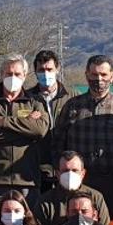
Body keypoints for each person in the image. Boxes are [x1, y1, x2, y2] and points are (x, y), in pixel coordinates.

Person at [56, 54, 113, 217]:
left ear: (112, 77)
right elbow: (58, 143)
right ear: (86, 75)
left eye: (103, 75)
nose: (99, 79)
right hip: (81, 182)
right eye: (94, 74)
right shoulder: (72, 106)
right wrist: (63, 176)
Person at [0, 53, 49, 214]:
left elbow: (40, 130)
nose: (12, 77)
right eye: (8, 74)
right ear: (1, 75)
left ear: (24, 76)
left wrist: (2, 121)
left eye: (17, 74)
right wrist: (26, 130)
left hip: (26, 182)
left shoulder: (36, 102)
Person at [30, 151, 111, 225]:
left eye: (75, 170)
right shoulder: (45, 201)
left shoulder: (96, 197)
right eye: (65, 171)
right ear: (57, 174)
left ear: (83, 173)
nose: (70, 174)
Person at [26, 50, 74, 191]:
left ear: (57, 69)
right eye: (41, 70)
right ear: (35, 71)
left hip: (66, 169)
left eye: (49, 69)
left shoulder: (72, 98)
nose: (46, 74)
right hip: (35, 169)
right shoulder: (26, 99)